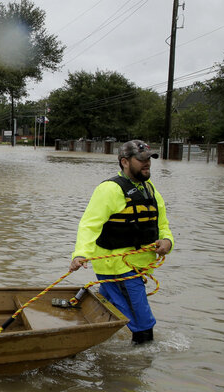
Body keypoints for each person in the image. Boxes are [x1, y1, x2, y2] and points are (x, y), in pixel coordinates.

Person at [69, 140, 174, 344]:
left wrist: (168, 241)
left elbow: (163, 224)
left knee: (108, 309)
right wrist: (80, 254)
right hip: (118, 268)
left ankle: (94, 343)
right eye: (141, 160)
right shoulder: (109, 190)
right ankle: (139, 367)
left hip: (138, 266)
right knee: (143, 325)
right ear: (125, 162)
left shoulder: (149, 189)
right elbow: (89, 225)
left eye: (149, 159)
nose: (147, 164)